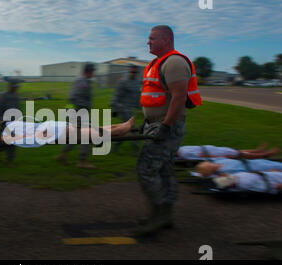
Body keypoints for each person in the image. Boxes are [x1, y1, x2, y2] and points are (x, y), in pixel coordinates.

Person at [134, 25, 202, 236]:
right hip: (156, 123)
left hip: (167, 125)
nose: (148, 42)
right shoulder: (157, 63)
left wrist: (165, 126)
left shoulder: (174, 62)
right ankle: (165, 215)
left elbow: (179, 97)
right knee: (164, 169)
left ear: (165, 40)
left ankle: (159, 214)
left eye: (152, 38)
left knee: (146, 169)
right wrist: (147, 122)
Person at [0, 116, 135, 147]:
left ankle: (118, 128)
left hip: (35, 129)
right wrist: (35, 136)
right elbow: (3, 140)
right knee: (77, 132)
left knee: (78, 130)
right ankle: (118, 130)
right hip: (36, 133)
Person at [56, 63, 96, 169]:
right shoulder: (81, 81)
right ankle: (82, 161)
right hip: (78, 112)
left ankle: (62, 154)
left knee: (76, 136)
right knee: (88, 135)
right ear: (88, 71)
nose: (93, 73)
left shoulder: (84, 81)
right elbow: (73, 97)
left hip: (78, 112)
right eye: (92, 71)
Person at [111, 65, 142, 153]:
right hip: (123, 109)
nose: (134, 74)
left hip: (131, 109)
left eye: (135, 72)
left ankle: (115, 146)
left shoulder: (137, 82)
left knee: (124, 130)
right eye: (132, 72)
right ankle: (136, 149)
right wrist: (115, 109)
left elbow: (137, 96)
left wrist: (140, 107)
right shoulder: (122, 82)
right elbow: (116, 97)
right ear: (128, 72)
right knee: (132, 128)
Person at [0, 78, 22, 164]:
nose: (16, 88)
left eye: (17, 87)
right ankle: (9, 161)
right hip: (3, 122)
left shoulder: (16, 96)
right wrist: (1, 122)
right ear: (10, 86)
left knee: (10, 141)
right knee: (11, 141)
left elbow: (18, 110)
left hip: (14, 123)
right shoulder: (2, 96)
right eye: (14, 86)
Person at [177, 143, 280, 160]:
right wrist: (223, 157)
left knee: (236, 151)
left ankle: (257, 150)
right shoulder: (184, 153)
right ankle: (265, 154)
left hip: (214, 149)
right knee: (239, 154)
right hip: (216, 153)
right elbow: (202, 155)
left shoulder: (181, 148)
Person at [195, 158, 282, 177]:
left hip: (252, 162)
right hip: (254, 167)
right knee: (275, 166)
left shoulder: (218, 162)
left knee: (272, 163)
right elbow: (240, 174)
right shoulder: (224, 171)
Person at [212, 171, 282, 194]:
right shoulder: (244, 184)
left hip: (269, 175)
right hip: (273, 179)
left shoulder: (236, 176)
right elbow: (265, 187)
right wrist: (277, 186)